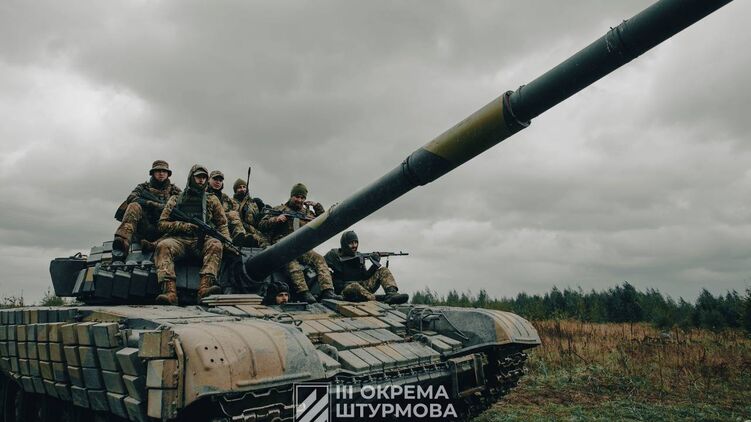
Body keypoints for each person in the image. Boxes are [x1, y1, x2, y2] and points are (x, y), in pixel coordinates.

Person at [153, 164, 229, 305]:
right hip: (179, 240)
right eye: (198, 177)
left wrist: (227, 242)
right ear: (191, 178)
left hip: (202, 241)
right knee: (163, 245)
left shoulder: (212, 199)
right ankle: (169, 292)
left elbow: (222, 224)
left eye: (204, 177)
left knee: (216, 244)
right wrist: (184, 226)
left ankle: (204, 289)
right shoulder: (176, 199)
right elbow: (162, 224)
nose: (201, 180)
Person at [259, 183, 341, 303]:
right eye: (297, 197)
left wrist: (317, 206)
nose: (300, 200)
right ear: (291, 196)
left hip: (301, 247)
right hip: (283, 247)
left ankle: (327, 291)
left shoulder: (306, 213)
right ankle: (304, 292)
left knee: (319, 259)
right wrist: (276, 219)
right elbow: (262, 225)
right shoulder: (279, 210)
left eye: (302, 198)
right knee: (292, 264)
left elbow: (323, 220)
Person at [113, 160, 181, 258]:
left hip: (165, 229)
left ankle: (153, 245)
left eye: (164, 171)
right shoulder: (143, 188)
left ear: (168, 174)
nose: (161, 173)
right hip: (145, 226)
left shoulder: (175, 191)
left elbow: (183, 206)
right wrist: (152, 204)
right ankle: (122, 244)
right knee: (134, 206)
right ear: (153, 173)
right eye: (158, 171)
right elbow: (131, 198)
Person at [324, 230, 409, 304]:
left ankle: (392, 294)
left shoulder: (359, 256)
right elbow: (321, 265)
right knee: (354, 286)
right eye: (351, 243)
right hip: (345, 291)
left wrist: (374, 265)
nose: (354, 246)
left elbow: (365, 276)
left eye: (356, 242)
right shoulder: (334, 255)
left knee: (383, 270)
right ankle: (381, 299)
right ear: (344, 244)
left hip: (362, 288)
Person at [230, 177, 270, 247]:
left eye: (244, 187)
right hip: (240, 231)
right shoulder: (231, 202)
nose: (242, 189)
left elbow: (260, 220)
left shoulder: (253, 203)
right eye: (239, 187)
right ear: (235, 190)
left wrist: (262, 213)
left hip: (255, 231)